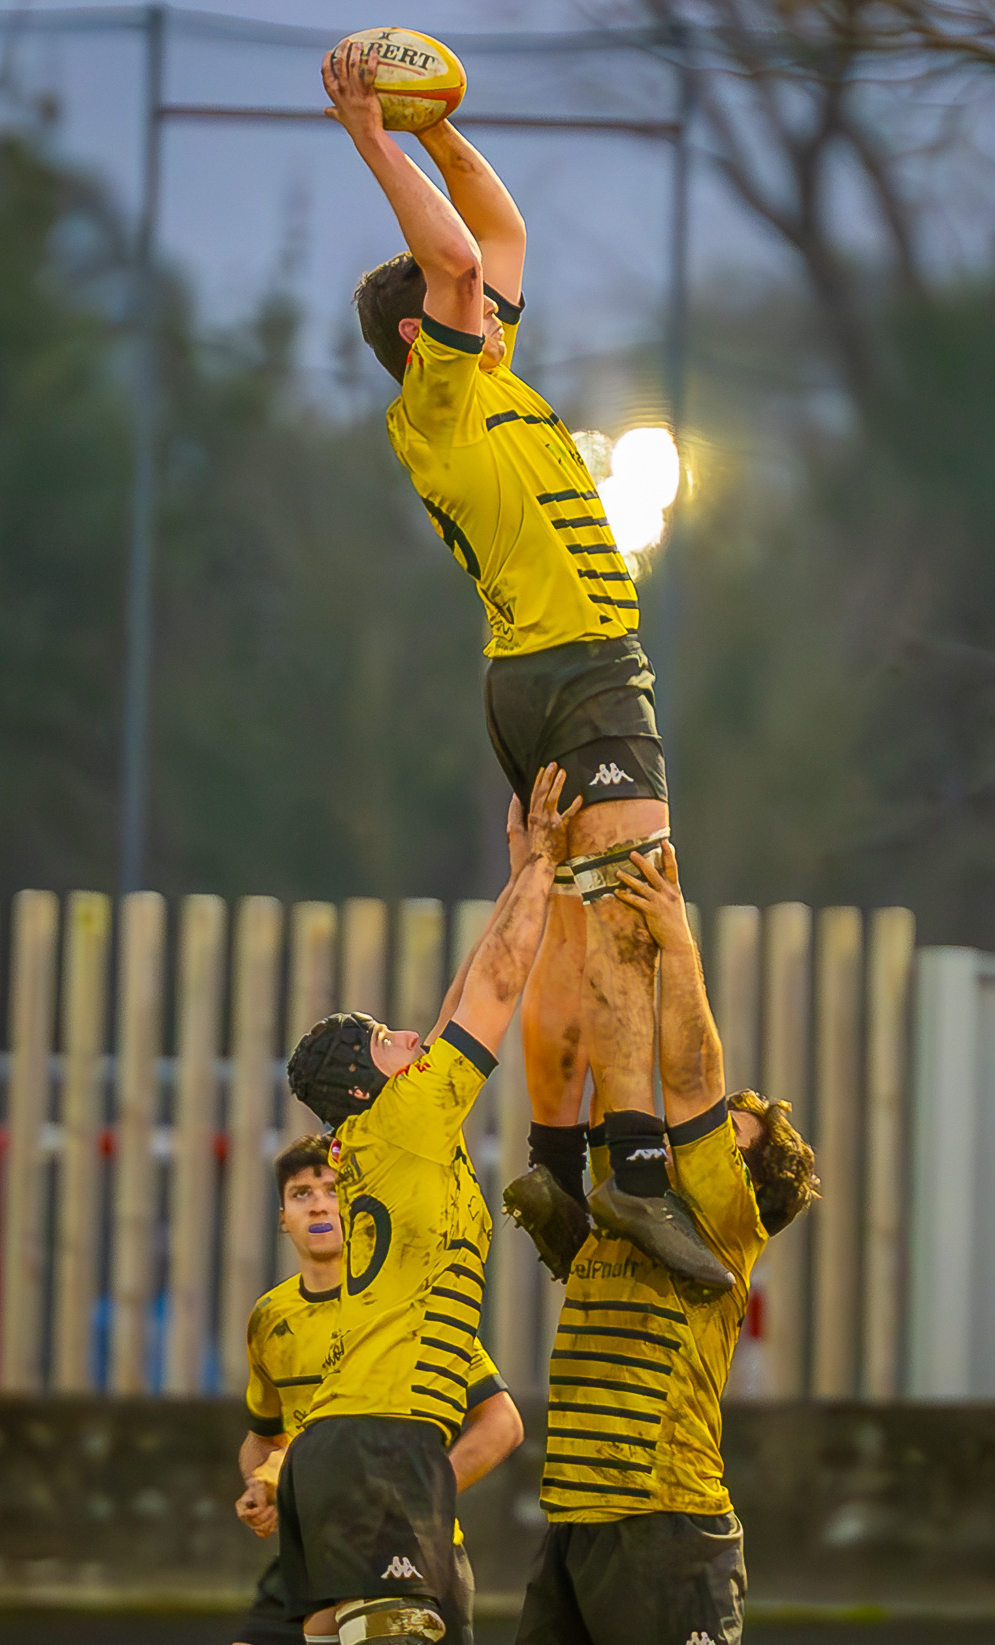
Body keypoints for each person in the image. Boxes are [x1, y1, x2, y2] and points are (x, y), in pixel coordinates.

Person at [321, 40, 724, 1288]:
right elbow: (452, 260)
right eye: (468, 308)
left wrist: (438, 125)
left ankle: (554, 1160)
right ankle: (634, 1171)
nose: (494, 304)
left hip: (539, 675)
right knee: (633, 921)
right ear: (420, 334)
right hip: (579, 667)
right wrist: (371, 139)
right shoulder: (437, 398)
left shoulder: (489, 376)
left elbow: (494, 233)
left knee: (561, 931)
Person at [278, 763, 576, 1645]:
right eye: (391, 1041)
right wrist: (543, 866)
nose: (416, 1036)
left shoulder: (389, 1128)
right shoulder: (404, 1119)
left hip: (347, 1444)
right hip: (380, 1440)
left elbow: (460, 993)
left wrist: (513, 877)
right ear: (371, 1081)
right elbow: (490, 993)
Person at [506, 842, 819, 1645]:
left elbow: (686, 1072)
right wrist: (555, 889)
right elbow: (579, 1048)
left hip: (666, 1518)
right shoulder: (627, 1202)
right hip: (579, 1517)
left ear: (750, 1179)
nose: (710, 1125)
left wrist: (677, 947)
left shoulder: (723, 1220)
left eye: (734, 1131)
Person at [208, 1134, 523, 1645]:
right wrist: (259, 1487)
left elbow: (501, 1423)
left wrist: (415, 1498)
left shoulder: (407, 1307)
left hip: (404, 1546)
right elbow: (262, 1436)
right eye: (301, 1194)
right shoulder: (270, 1317)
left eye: (331, 1189)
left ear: (358, 1208)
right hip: (310, 1552)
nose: (319, 1204)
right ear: (282, 1217)